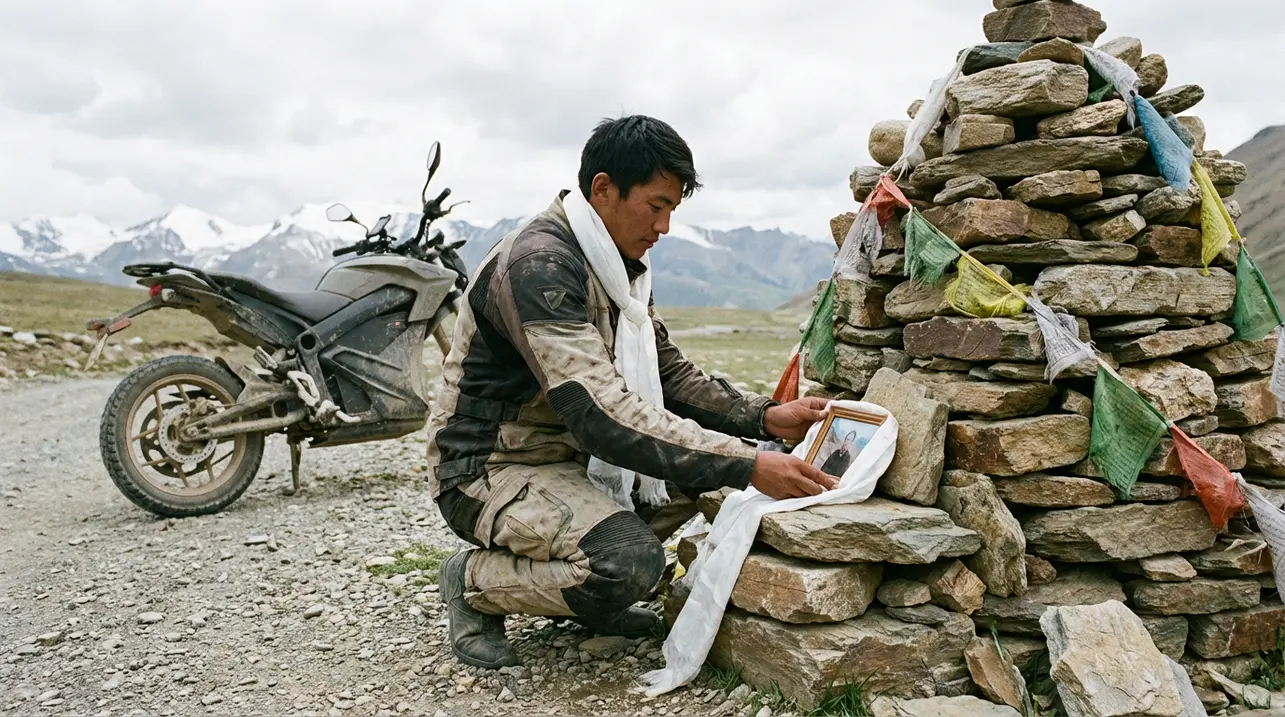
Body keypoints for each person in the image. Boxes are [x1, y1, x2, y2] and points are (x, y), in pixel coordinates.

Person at [424, 114, 838, 670]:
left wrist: (764, 418)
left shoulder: (619, 269)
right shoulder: (540, 266)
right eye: (656, 205)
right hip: (489, 466)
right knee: (626, 562)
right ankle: (473, 581)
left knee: (696, 480)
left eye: (672, 210)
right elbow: (601, 414)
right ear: (603, 189)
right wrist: (746, 463)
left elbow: (669, 374)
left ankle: (587, 583)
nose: (664, 226)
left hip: (575, 462)